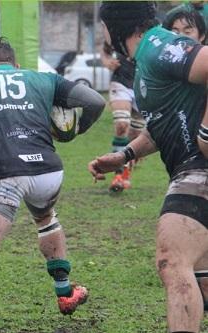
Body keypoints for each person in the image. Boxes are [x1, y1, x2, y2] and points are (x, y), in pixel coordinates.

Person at [0, 36, 106, 333]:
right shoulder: (44, 78)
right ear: (16, 64)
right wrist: (75, 131)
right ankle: (66, 294)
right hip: (48, 172)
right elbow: (96, 101)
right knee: (46, 218)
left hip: (5, 170)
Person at [90, 2, 208, 332]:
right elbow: (162, 124)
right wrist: (124, 155)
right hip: (190, 168)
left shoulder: (158, 45)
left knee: (173, 259)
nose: (104, 36)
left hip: (199, 168)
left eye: (103, 29)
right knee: (201, 280)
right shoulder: (145, 60)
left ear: (114, 28)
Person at [100, 40, 145, 192]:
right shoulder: (119, 27)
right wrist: (107, 61)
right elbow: (105, 49)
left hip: (144, 85)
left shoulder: (152, 27)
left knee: (136, 137)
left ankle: (125, 173)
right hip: (120, 82)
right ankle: (118, 175)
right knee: (121, 125)